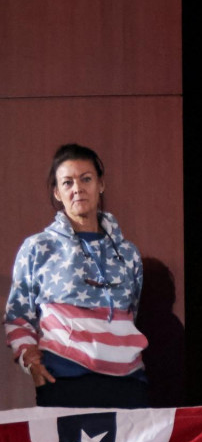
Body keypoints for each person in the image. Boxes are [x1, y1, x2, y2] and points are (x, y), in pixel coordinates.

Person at [5, 144, 148, 408]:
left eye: (86, 179)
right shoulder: (38, 247)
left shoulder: (128, 253)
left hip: (129, 383)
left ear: (101, 185)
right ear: (57, 192)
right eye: (67, 182)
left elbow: (132, 312)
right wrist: (32, 362)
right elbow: (18, 317)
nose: (78, 188)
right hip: (65, 381)